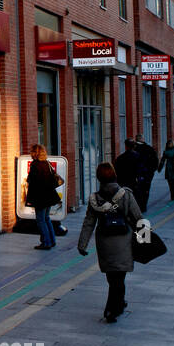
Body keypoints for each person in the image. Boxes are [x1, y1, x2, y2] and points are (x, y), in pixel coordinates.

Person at [78, 161, 145, 324]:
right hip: (123, 240)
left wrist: (82, 244)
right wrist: (145, 241)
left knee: (112, 277)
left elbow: (89, 222)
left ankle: (119, 304)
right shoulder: (126, 194)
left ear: (99, 177)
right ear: (114, 174)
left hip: (105, 242)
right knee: (119, 277)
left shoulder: (95, 198)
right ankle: (111, 310)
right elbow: (139, 218)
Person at [25, 143, 62, 251]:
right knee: (46, 218)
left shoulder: (35, 165)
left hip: (40, 197)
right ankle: (52, 240)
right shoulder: (46, 163)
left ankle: (46, 243)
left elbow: (31, 181)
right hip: (49, 195)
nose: (30, 153)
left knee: (41, 220)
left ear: (35, 153)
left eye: (32, 151)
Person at [133, 132, 158, 211]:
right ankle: (143, 206)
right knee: (145, 190)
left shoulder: (133, 149)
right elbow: (155, 161)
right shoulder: (149, 148)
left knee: (136, 191)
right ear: (142, 139)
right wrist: (152, 171)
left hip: (136, 174)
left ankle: (137, 206)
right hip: (147, 174)